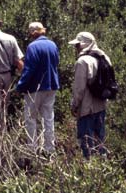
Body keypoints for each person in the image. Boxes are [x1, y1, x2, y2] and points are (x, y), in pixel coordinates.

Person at [16, 22, 60, 153]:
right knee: (48, 117)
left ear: (33, 33)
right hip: (51, 85)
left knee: (31, 118)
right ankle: (49, 149)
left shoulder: (32, 47)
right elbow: (56, 62)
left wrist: (20, 86)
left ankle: (32, 149)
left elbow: (29, 69)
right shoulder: (53, 45)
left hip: (35, 87)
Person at [68, 31, 112, 159]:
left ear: (83, 45)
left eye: (77, 45)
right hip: (101, 106)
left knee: (86, 141)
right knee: (100, 140)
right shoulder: (104, 57)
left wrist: (74, 105)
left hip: (86, 108)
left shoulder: (83, 62)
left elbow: (79, 89)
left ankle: (89, 171)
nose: (76, 48)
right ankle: (103, 169)